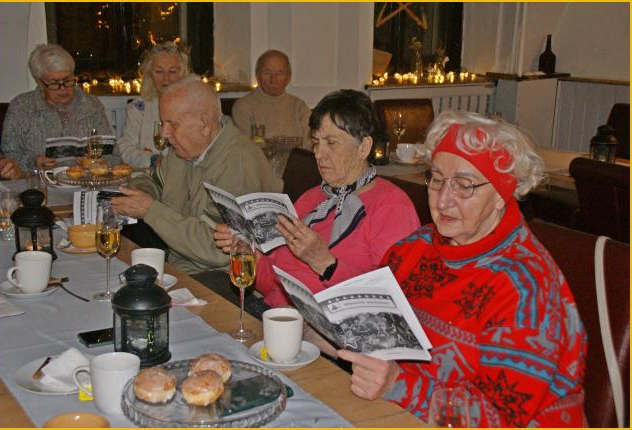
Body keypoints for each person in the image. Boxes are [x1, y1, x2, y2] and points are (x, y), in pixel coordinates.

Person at [338, 111, 587, 427]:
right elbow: (376, 336)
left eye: (464, 186)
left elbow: (501, 417)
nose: (443, 201)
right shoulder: (414, 249)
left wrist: (399, 385)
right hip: (398, 415)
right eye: (437, 179)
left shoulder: (526, 289)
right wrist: (328, 334)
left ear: (501, 195)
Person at [214, 90, 420, 319]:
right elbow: (273, 284)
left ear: (364, 147)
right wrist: (249, 253)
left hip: (331, 330)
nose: (319, 154)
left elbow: (390, 303)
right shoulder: (311, 199)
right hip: (277, 316)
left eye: (331, 143)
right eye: (315, 142)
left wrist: (325, 263)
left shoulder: (392, 207)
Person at [111, 75, 282, 274]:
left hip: (223, 277)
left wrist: (150, 210)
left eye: (172, 124)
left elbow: (216, 250)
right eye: (163, 123)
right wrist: (140, 192)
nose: (164, 134)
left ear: (205, 124)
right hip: (180, 263)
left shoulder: (238, 165)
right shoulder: (184, 150)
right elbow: (156, 181)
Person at [1, 43, 114, 171]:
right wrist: (33, 162)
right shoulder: (22, 107)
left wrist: (99, 162)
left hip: (84, 180)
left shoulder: (91, 105)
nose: (63, 89)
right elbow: (9, 155)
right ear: (40, 82)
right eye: (54, 83)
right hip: (40, 181)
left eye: (67, 80)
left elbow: (114, 155)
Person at [117, 42, 191, 168]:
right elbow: (124, 149)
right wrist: (152, 160)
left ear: (182, 74)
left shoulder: (194, 106)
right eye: (159, 71)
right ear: (150, 74)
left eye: (172, 71)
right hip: (147, 175)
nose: (166, 78)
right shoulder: (139, 108)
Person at [231, 50, 311, 146]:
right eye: (267, 73)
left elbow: (311, 144)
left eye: (279, 73)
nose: (273, 80)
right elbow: (248, 148)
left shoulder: (299, 107)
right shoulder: (243, 107)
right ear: (257, 76)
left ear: (288, 77)